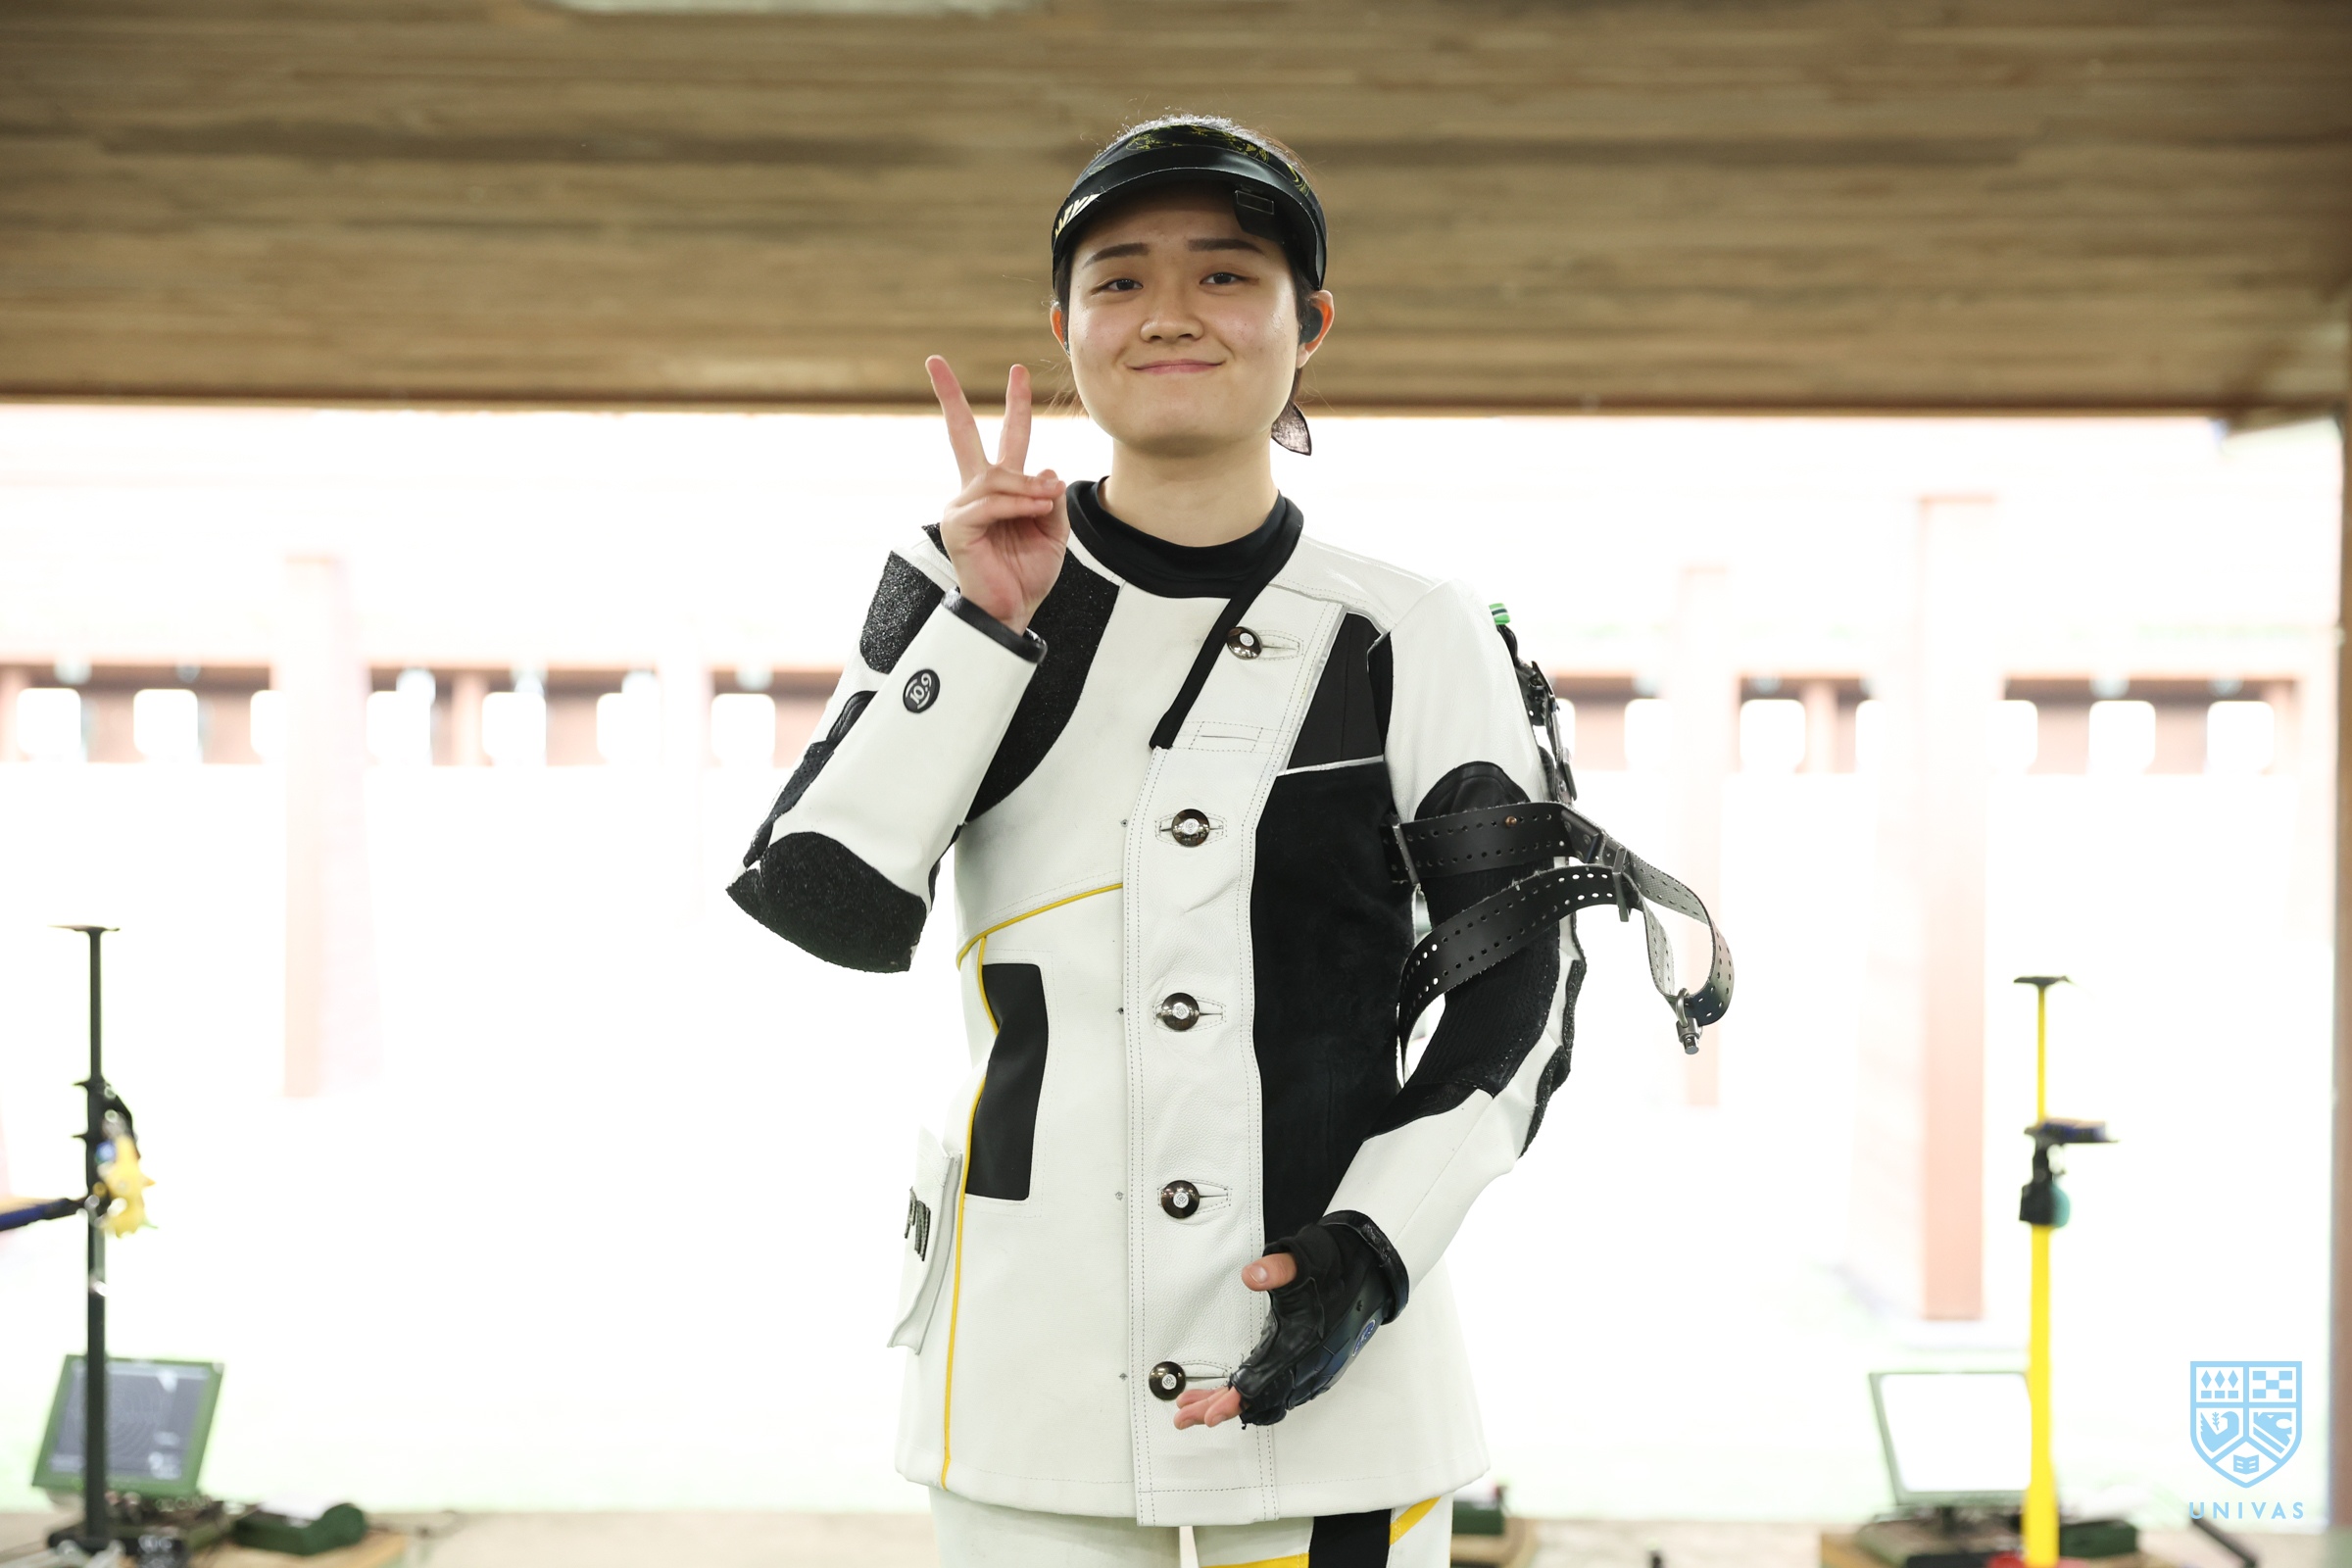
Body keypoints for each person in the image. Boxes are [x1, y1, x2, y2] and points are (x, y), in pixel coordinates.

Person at [731, 116, 1592, 1568]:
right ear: (1062, 328)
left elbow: (1522, 987)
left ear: (1310, 324)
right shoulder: (956, 585)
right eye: (1119, 280)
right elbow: (829, 906)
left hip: (1335, 1351)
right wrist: (981, 629)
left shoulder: (1414, 627)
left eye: (1227, 274)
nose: (1171, 313)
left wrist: (1375, 1250)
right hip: (1025, 1366)